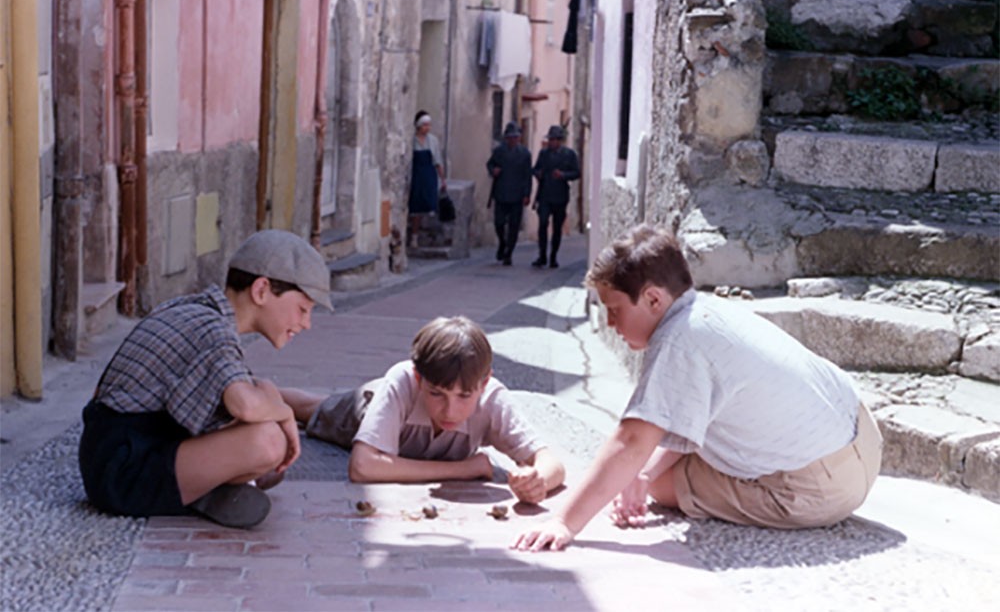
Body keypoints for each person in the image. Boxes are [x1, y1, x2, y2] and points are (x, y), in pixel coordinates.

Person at [511, 224, 882, 551]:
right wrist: (639, 472)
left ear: (654, 299)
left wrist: (564, 522)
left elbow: (632, 441)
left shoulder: (678, 341)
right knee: (651, 468)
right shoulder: (707, 311)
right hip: (862, 437)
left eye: (615, 309)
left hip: (819, 490)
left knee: (663, 484)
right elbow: (685, 414)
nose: (610, 322)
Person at [78, 230, 333, 529]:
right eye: (303, 309)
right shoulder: (212, 329)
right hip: (121, 472)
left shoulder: (196, 311)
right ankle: (202, 492)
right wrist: (287, 415)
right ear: (261, 290)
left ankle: (205, 489)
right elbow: (245, 406)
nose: (306, 323)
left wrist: (271, 401)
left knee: (266, 401)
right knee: (269, 443)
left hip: (120, 451)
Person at [279, 316, 566, 504]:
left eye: (464, 396)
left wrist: (537, 482)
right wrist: (463, 470)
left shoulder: (491, 397)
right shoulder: (403, 380)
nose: (450, 410)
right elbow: (363, 466)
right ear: (419, 379)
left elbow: (550, 462)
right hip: (363, 409)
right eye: (437, 394)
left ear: (484, 383)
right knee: (310, 408)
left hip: (400, 440)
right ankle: (259, 391)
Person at [531, 125, 579, 269]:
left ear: (560, 141)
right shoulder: (543, 154)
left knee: (557, 228)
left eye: (555, 140)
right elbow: (535, 168)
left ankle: (553, 256)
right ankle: (542, 255)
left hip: (560, 196)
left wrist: (563, 175)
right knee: (543, 224)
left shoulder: (569, 155)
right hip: (544, 194)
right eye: (551, 140)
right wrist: (538, 173)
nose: (552, 143)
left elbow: (576, 173)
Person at [487, 122, 533, 266]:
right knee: (499, 223)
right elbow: (490, 164)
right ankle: (502, 242)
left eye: (515, 137)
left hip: (517, 194)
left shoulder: (525, 154)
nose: (513, 140)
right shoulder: (499, 151)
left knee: (514, 225)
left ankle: (509, 253)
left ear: (519, 138)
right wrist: (493, 170)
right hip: (501, 192)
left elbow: (527, 175)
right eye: (510, 137)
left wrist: (527, 194)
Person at [408, 110, 446, 248]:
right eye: (424, 125)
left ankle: (423, 235)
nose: (427, 128)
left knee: (428, 204)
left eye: (429, 125)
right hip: (417, 175)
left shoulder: (433, 140)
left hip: (428, 175)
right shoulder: (411, 140)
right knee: (415, 207)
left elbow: (437, 161)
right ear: (418, 125)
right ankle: (414, 236)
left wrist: (442, 179)